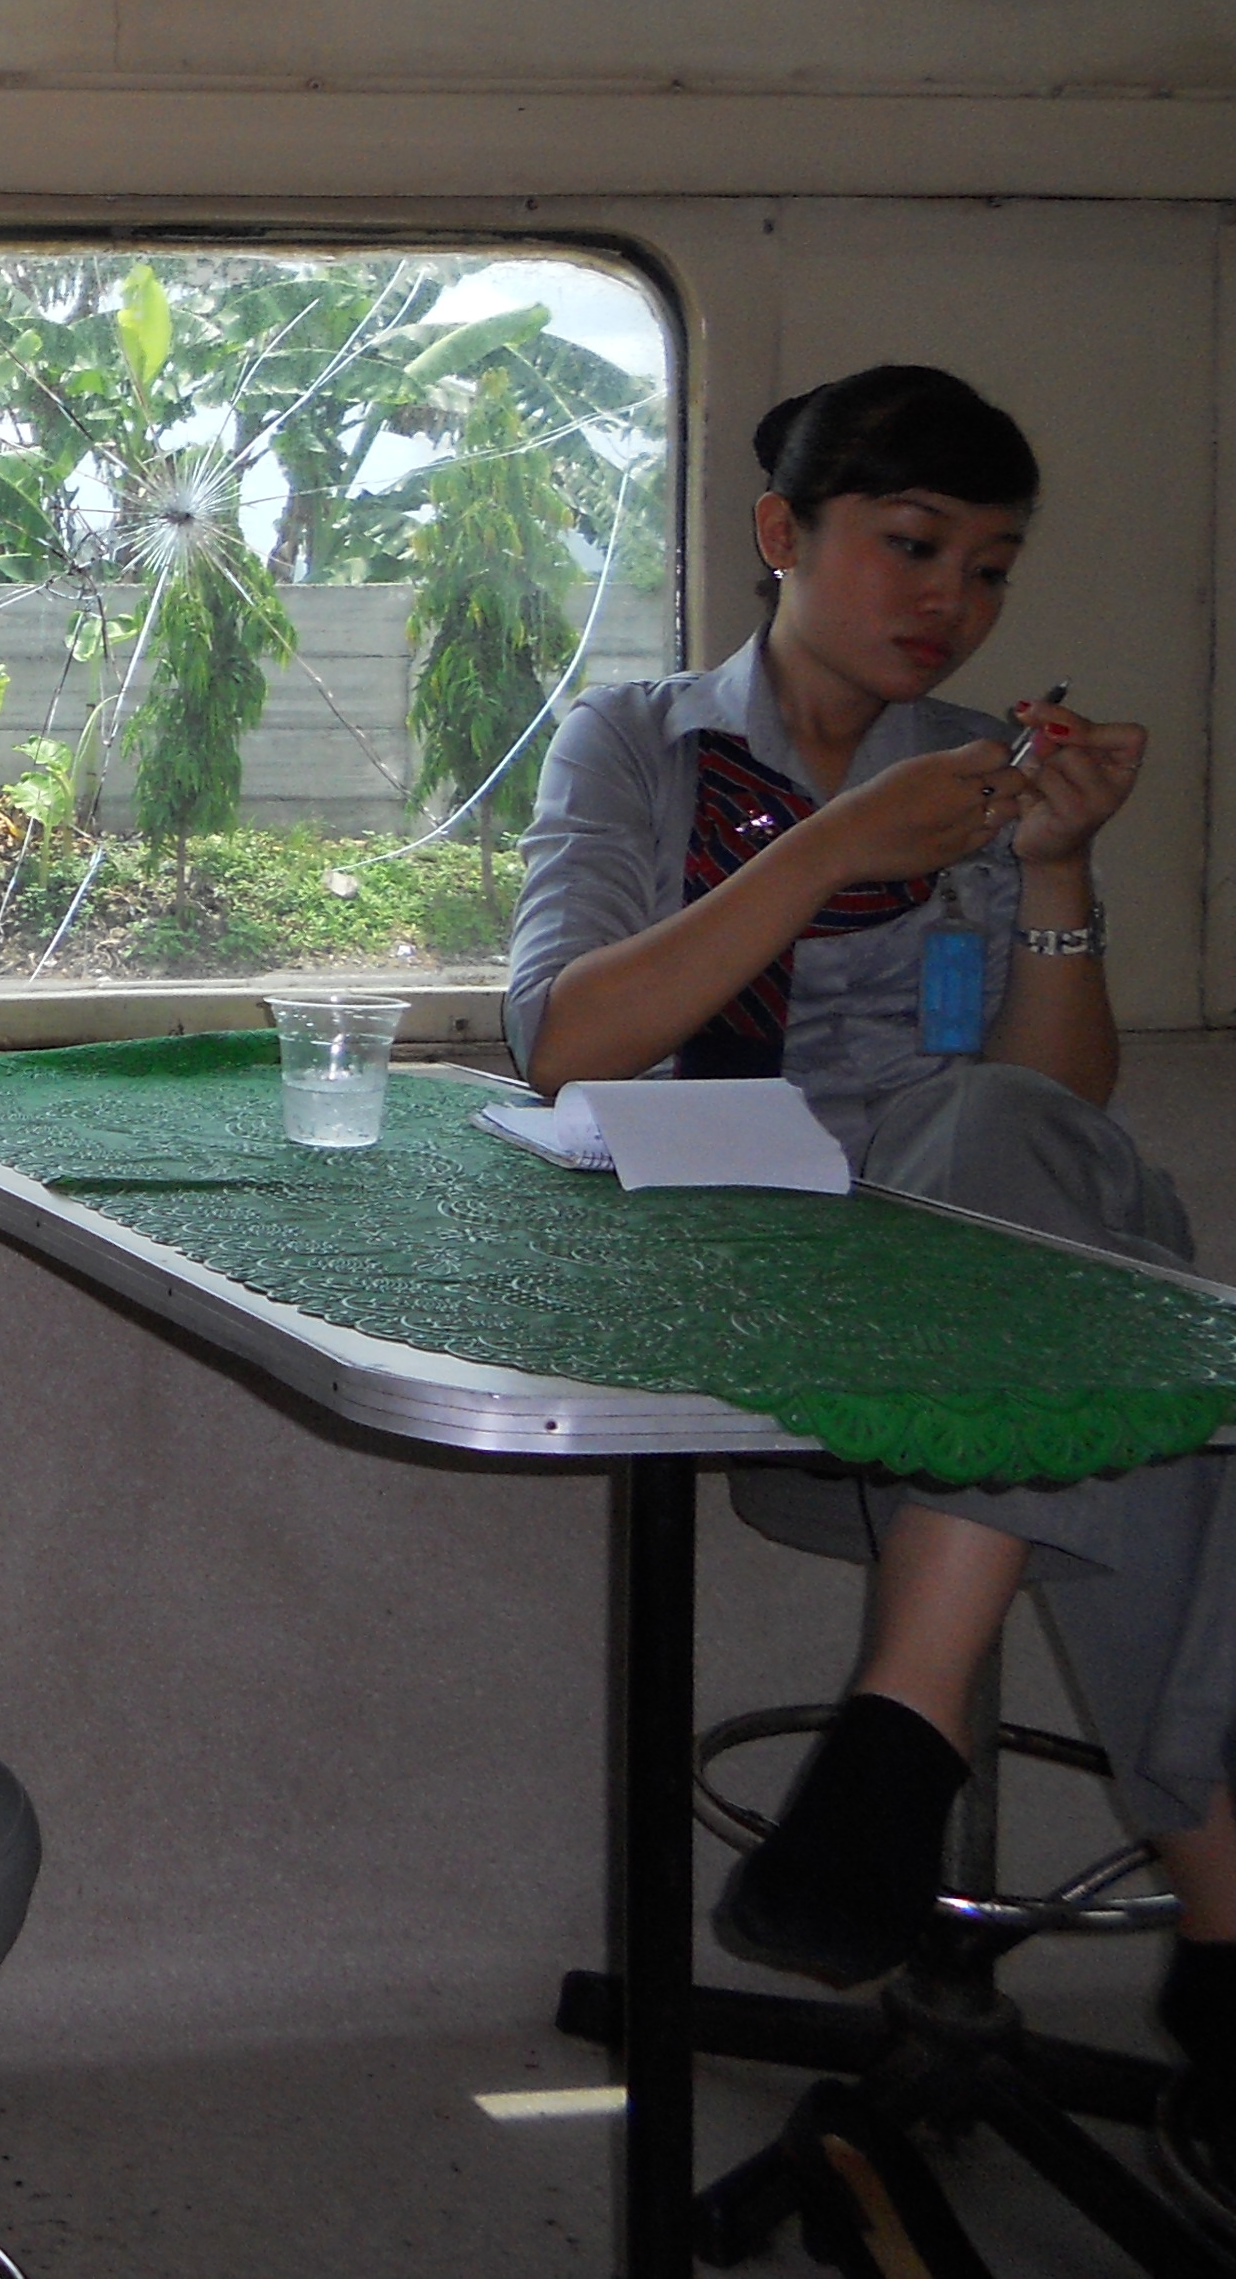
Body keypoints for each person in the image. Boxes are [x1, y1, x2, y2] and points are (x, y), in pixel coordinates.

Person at [507, 364, 1236, 2138]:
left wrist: (1054, 878)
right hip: (743, 1309)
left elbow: (1060, 1106)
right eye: (912, 548)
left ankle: (901, 1738)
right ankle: (1224, 1931)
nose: (950, 605)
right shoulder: (634, 745)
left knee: (1089, 1247)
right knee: (1156, 1353)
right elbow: (564, 1041)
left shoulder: (981, 775)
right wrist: (828, 849)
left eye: (988, 569)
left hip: (974, 1295)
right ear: (783, 537)